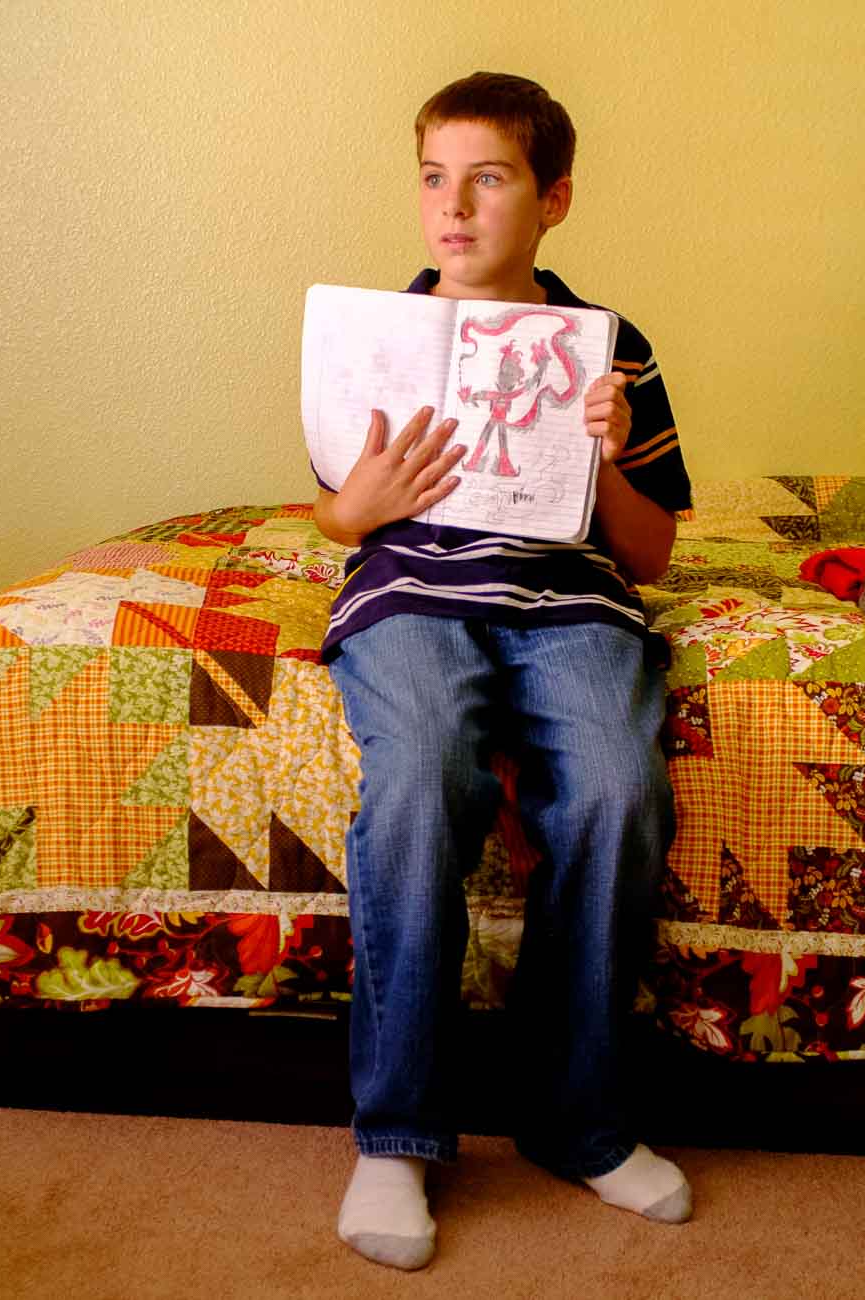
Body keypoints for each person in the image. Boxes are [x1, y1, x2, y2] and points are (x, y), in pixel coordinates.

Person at [309, 71, 695, 1271]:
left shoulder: (610, 347)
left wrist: (610, 456)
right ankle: (398, 1132)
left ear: (553, 198)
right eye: (435, 178)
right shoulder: (380, 333)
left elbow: (648, 551)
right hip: (412, 595)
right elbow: (336, 515)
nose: (454, 208)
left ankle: (575, 1117)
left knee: (619, 787)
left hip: (569, 600)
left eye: (488, 178)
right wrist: (351, 511)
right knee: (421, 770)